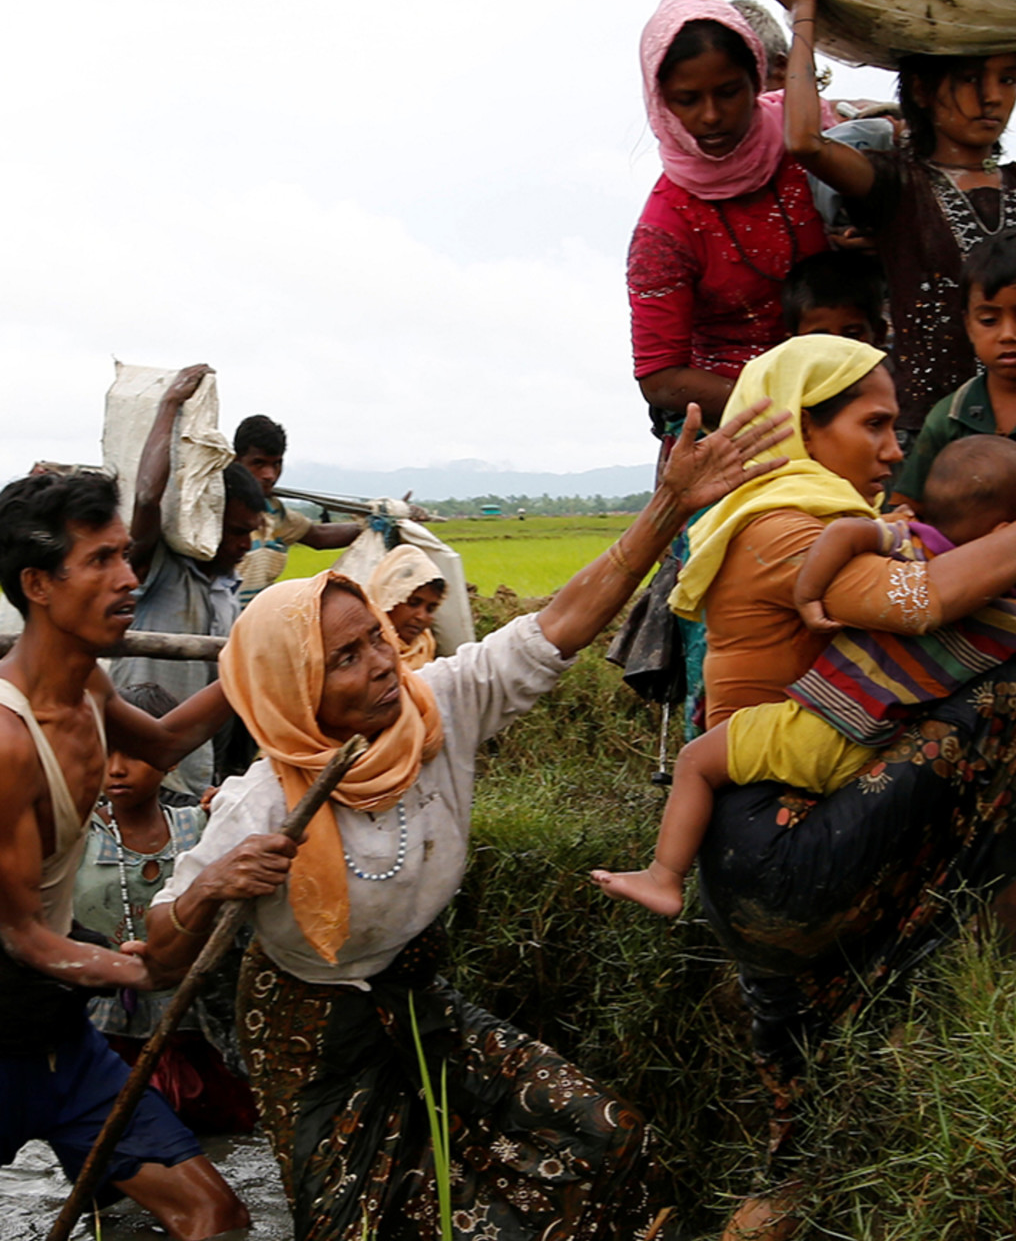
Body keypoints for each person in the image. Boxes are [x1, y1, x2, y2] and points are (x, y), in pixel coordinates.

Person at [144, 402, 791, 1241]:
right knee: (364, 1228)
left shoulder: (438, 706)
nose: (382, 663)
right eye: (345, 658)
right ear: (294, 689)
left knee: (604, 1139)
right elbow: (162, 958)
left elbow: (559, 626)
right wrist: (209, 894)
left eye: (374, 637)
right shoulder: (263, 803)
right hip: (314, 1039)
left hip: (417, 995)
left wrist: (667, 507)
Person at [642, 335, 1016, 1237]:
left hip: (762, 833)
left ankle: (792, 1182)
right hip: (780, 845)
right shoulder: (783, 529)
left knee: (802, 1101)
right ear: (798, 428)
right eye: (876, 424)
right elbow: (923, 602)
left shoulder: (782, 513)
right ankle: (991, 944)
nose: (896, 450)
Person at [592, 434, 1016, 917]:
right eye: (874, 425)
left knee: (696, 760)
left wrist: (810, 592)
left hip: (817, 727)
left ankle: (664, 877)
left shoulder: (911, 545)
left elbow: (844, 538)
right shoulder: (1009, 615)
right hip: (879, 753)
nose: (893, 451)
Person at [0, 471, 247, 1240]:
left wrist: (261, 664)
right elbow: (23, 936)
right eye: (103, 561)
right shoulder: (7, 743)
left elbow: (169, 740)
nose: (129, 579)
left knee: (216, 1217)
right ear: (38, 583)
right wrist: (150, 966)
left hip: (59, 1040)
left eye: (126, 558)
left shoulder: (90, 694)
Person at [769, 0, 1016, 438]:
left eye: (1008, 78)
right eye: (970, 78)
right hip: (927, 433)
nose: (991, 97)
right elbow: (804, 141)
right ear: (923, 90)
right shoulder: (898, 188)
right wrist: (803, 11)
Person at [628, 0, 827, 437]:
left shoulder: (813, 144)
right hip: (736, 432)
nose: (712, 115)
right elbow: (661, 377)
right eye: (688, 99)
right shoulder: (666, 227)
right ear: (660, 101)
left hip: (852, 403)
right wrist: (788, 411)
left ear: (758, 79)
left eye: (728, 92)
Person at [72, 681, 258, 1135]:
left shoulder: (198, 827)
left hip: (194, 1026)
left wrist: (230, 812)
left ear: (170, 756)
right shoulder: (74, 835)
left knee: (217, 1133)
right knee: (113, 1139)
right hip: (104, 1027)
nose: (116, 770)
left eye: (134, 754)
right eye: (106, 753)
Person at [110, 364, 266, 794]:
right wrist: (170, 405)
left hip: (192, 778)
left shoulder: (225, 594)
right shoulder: (157, 571)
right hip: (130, 768)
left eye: (251, 533)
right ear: (208, 521)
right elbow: (146, 497)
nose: (245, 546)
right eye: (236, 532)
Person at [895, 230, 1016, 503]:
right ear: (968, 325)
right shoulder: (949, 418)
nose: (1008, 334)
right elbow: (905, 508)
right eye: (989, 320)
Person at [233, 414, 365, 609]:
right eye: (258, 464)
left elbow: (319, 536)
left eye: (276, 464)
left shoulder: (274, 511)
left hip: (256, 622)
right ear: (236, 461)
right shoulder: (217, 505)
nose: (269, 475)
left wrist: (375, 523)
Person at [780, 249, 888, 346]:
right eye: (819, 340)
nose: (837, 349)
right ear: (792, 343)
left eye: (851, 336)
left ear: (879, 334)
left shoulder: (896, 368)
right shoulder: (776, 368)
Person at [367, 544, 446, 669]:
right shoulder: (363, 650)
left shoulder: (424, 644)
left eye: (430, 609)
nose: (422, 616)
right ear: (388, 598)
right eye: (413, 603)